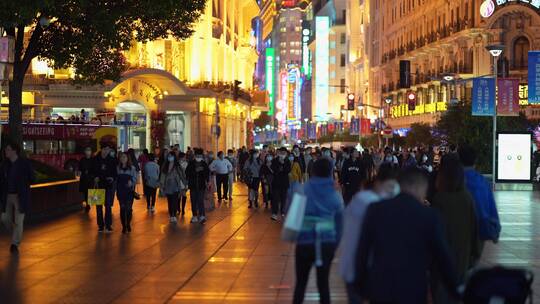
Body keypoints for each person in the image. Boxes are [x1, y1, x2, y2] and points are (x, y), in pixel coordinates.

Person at [355, 167, 459, 304]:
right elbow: (443, 257)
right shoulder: (429, 216)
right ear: (420, 187)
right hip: (412, 290)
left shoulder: (376, 209)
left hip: (380, 288)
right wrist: (456, 289)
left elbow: (362, 251)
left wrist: (362, 286)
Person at [339, 164, 400, 304]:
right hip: (366, 268)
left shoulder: (361, 199)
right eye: (390, 187)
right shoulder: (367, 202)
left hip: (357, 267)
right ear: (379, 183)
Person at [292, 158, 344, 304]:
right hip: (326, 243)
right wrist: (334, 245)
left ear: (313, 171)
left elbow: (293, 221)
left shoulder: (302, 190)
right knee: (324, 285)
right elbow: (340, 225)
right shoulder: (335, 195)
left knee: (300, 284)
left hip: (304, 243)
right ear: (330, 173)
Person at [431, 155, 480, 304]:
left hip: (441, 258)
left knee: (442, 293)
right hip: (462, 256)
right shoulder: (467, 198)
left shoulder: (439, 199)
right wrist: (474, 255)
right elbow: (475, 230)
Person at [458, 144, 500, 256]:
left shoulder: (453, 180)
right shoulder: (482, 181)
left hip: (458, 230)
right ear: (475, 160)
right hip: (479, 229)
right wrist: (495, 229)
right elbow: (491, 207)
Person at [0, 142, 34, 253]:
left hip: (20, 196)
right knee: (4, 218)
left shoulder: (24, 163)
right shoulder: (5, 164)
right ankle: (89, 203)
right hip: (8, 195)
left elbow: (32, 178)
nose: (6, 152)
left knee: (19, 221)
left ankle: (90, 204)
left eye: (8, 149)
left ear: (14, 151)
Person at [91, 145, 117, 233]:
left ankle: (108, 225)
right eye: (105, 149)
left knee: (108, 206)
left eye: (108, 149)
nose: (107, 151)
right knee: (98, 207)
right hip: (98, 186)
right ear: (101, 149)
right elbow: (92, 172)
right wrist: (94, 177)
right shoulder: (95, 159)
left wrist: (112, 178)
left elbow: (115, 173)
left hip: (108, 185)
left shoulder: (112, 160)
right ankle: (100, 226)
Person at [160, 152, 185, 223]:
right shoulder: (165, 166)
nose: (170, 158)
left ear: (174, 157)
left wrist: (185, 183)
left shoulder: (177, 166)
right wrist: (161, 186)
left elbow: (182, 175)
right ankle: (171, 215)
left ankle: (174, 215)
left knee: (174, 201)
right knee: (169, 201)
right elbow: (162, 176)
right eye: (169, 156)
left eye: (172, 156)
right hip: (167, 186)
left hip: (176, 186)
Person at [186, 149, 210, 224]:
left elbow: (207, 173)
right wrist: (195, 170)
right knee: (193, 201)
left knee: (200, 200)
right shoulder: (191, 163)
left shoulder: (204, 164)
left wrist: (207, 181)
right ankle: (194, 216)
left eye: (200, 156)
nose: (198, 157)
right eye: (197, 156)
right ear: (195, 156)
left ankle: (202, 215)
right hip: (193, 185)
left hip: (201, 186)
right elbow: (187, 173)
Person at [116, 152, 137, 233]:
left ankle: (128, 223)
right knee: (122, 208)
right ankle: (123, 226)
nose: (123, 158)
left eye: (125, 157)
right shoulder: (117, 168)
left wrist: (131, 182)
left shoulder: (132, 168)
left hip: (129, 191)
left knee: (128, 209)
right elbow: (116, 179)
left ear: (128, 158)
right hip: (120, 191)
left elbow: (135, 178)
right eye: (122, 157)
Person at [271, 147, 291, 220]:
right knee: (275, 198)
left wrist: (283, 164)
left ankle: (283, 212)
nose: (283, 154)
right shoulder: (275, 160)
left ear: (286, 154)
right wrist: (279, 164)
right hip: (276, 182)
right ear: (279, 153)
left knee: (283, 198)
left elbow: (288, 170)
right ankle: (274, 213)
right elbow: (273, 169)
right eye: (281, 153)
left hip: (284, 183)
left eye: (284, 153)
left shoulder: (287, 161)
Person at [78, 147, 94, 213]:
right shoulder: (82, 159)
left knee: (89, 192)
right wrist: (80, 173)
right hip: (84, 178)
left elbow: (95, 168)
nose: (88, 152)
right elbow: (80, 168)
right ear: (85, 151)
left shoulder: (93, 160)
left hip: (90, 178)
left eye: (89, 150)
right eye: (87, 150)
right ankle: (87, 203)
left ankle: (88, 204)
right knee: (85, 192)